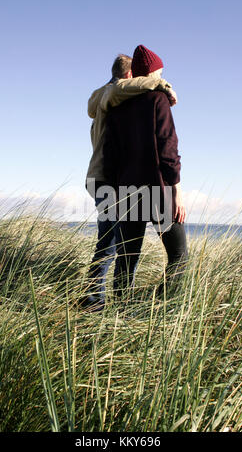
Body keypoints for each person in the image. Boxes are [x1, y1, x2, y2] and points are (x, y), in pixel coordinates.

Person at [83, 53, 179, 311]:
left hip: (103, 176)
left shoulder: (103, 96)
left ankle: (98, 298)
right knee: (113, 241)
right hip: (109, 178)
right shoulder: (113, 96)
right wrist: (161, 84)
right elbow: (123, 88)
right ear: (129, 77)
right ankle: (93, 299)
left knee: (114, 241)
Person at [103, 45, 188, 300]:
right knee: (178, 255)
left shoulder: (116, 108)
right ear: (152, 74)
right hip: (156, 190)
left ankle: (120, 315)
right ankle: (164, 309)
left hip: (126, 192)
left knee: (126, 260)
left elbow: (110, 157)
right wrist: (177, 193)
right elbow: (168, 150)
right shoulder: (158, 100)